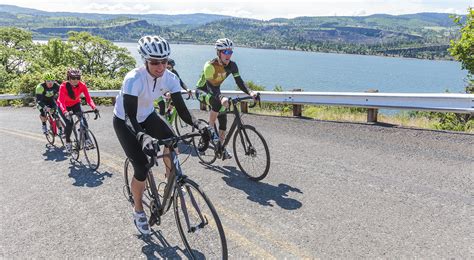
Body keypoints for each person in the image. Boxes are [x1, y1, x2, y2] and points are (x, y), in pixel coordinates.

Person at [113, 35, 210, 235]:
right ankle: (138, 209)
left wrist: (198, 123)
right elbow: (131, 117)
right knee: (141, 166)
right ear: (145, 61)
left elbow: (183, 111)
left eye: (164, 61)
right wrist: (142, 136)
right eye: (154, 62)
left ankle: (170, 177)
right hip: (125, 121)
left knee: (172, 140)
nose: (160, 66)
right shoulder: (133, 79)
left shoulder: (170, 78)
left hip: (147, 115)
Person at [195, 38, 257, 160]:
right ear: (218, 52)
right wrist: (221, 97)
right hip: (203, 91)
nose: (229, 55)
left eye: (230, 52)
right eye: (226, 52)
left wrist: (251, 92)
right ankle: (209, 129)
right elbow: (211, 87)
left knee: (223, 121)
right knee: (216, 103)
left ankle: (221, 147)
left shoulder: (232, 66)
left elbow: (239, 82)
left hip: (216, 92)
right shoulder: (210, 66)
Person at [57, 68, 98, 153]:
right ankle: (68, 142)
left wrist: (94, 107)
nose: (76, 80)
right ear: (69, 78)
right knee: (70, 123)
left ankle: (87, 140)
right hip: (64, 106)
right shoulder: (63, 86)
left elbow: (88, 99)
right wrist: (65, 112)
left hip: (76, 104)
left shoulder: (82, 85)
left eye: (78, 78)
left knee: (83, 120)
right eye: (73, 78)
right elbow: (61, 101)